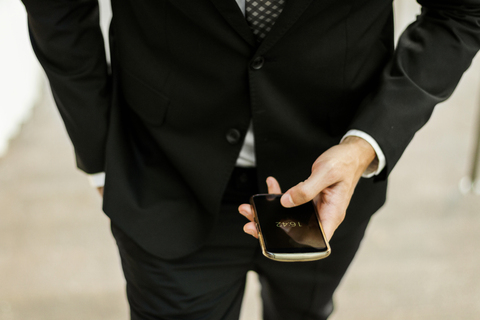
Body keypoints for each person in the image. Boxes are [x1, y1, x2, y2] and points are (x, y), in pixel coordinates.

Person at [20, 0, 480, 319]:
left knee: (303, 309)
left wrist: (365, 144)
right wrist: (101, 151)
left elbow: (460, 12)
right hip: (165, 168)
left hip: (326, 182)